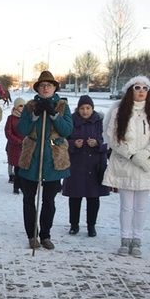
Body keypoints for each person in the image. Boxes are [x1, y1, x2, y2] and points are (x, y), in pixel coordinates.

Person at [103, 76, 150, 257]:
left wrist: (146, 154)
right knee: (126, 206)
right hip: (125, 164)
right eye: (137, 87)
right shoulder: (118, 111)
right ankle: (125, 239)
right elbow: (112, 137)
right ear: (130, 90)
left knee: (141, 206)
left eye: (145, 88)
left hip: (146, 165)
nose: (141, 91)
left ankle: (137, 239)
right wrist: (131, 154)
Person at [17, 70, 73, 250]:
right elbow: (22, 129)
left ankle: (45, 235)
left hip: (53, 158)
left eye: (49, 85)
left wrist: (54, 115)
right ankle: (32, 235)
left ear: (55, 87)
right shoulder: (30, 105)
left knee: (49, 200)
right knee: (28, 198)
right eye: (42, 85)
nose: (45, 88)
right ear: (38, 88)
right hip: (32, 157)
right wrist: (34, 115)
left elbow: (67, 130)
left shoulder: (63, 105)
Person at [62, 95, 109, 237]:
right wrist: (73, 144)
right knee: (75, 197)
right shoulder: (71, 121)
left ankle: (91, 226)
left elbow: (110, 142)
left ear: (92, 109)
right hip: (76, 165)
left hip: (95, 165)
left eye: (88, 108)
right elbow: (63, 140)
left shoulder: (101, 122)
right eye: (82, 108)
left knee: (93, 198)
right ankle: (74, 225)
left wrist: (98, 144)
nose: (85, 111)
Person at [5, 97, 26, 193]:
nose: (23, 107)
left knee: (25, 168)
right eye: (20, 106)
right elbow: (8, 132)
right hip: (16, 146)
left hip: (27, 146)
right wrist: (19, 141)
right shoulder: (11, 118)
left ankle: (24, 186)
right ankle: (17, 186)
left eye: (24, 106)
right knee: (18, 167)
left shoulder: (28, 117)